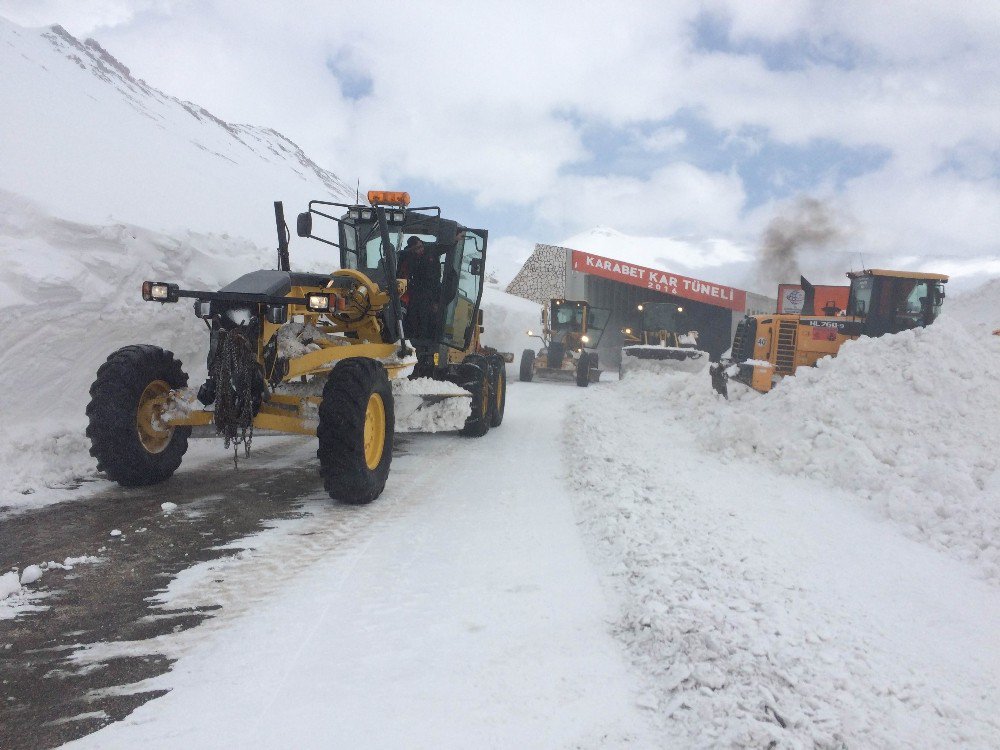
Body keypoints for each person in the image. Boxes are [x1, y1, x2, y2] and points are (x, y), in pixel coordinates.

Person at [397, 236, 442, 340]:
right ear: (411, 250)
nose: (420, 250)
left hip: (429, 295)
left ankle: (422, 340)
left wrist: (436, 301)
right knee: (412, 318)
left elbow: (444, 247)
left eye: (421, 246)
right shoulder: (407, 259)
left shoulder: (431, 252)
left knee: (425, 320)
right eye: (417, 249)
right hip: (415, 296)